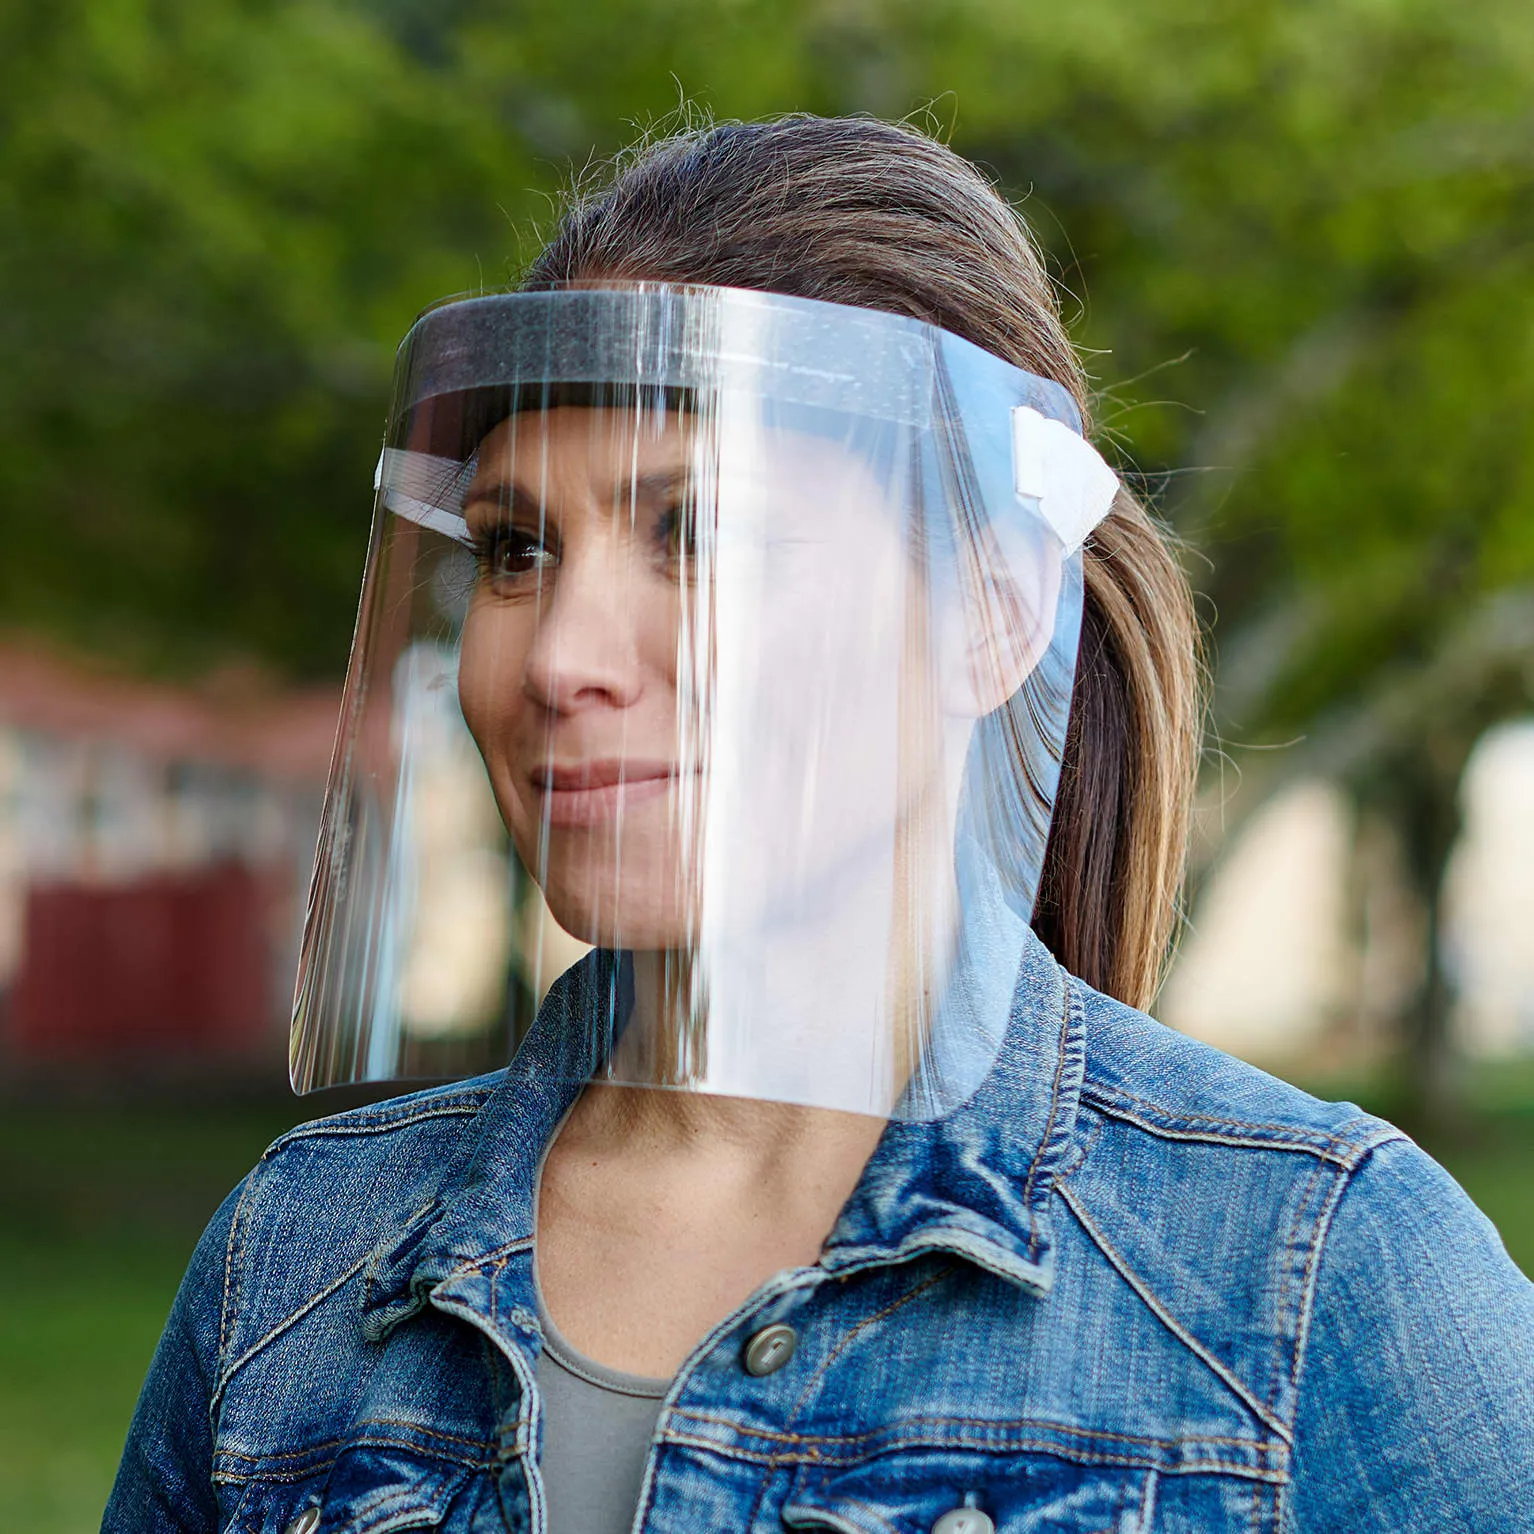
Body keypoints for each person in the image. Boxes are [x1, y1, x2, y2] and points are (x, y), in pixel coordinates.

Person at [105, 115, 1533, 1534]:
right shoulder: (294, 1264)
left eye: (696, 532)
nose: (559, 657)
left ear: (993, 612)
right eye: (514, 547)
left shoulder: (1310, 1277)